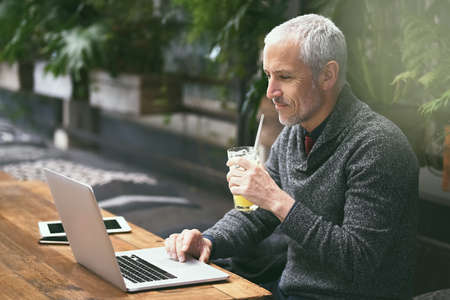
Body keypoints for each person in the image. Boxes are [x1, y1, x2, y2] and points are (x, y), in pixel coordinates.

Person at [165, 14, 418, 300]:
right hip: (289, 291)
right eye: (268, 76)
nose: (271, 92)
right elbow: (256, 217)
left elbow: (356, 259)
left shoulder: (377, 146)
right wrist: (209, 240)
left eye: (284, 77)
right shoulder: (294, 133)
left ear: (327, 75)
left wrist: (277, 199)